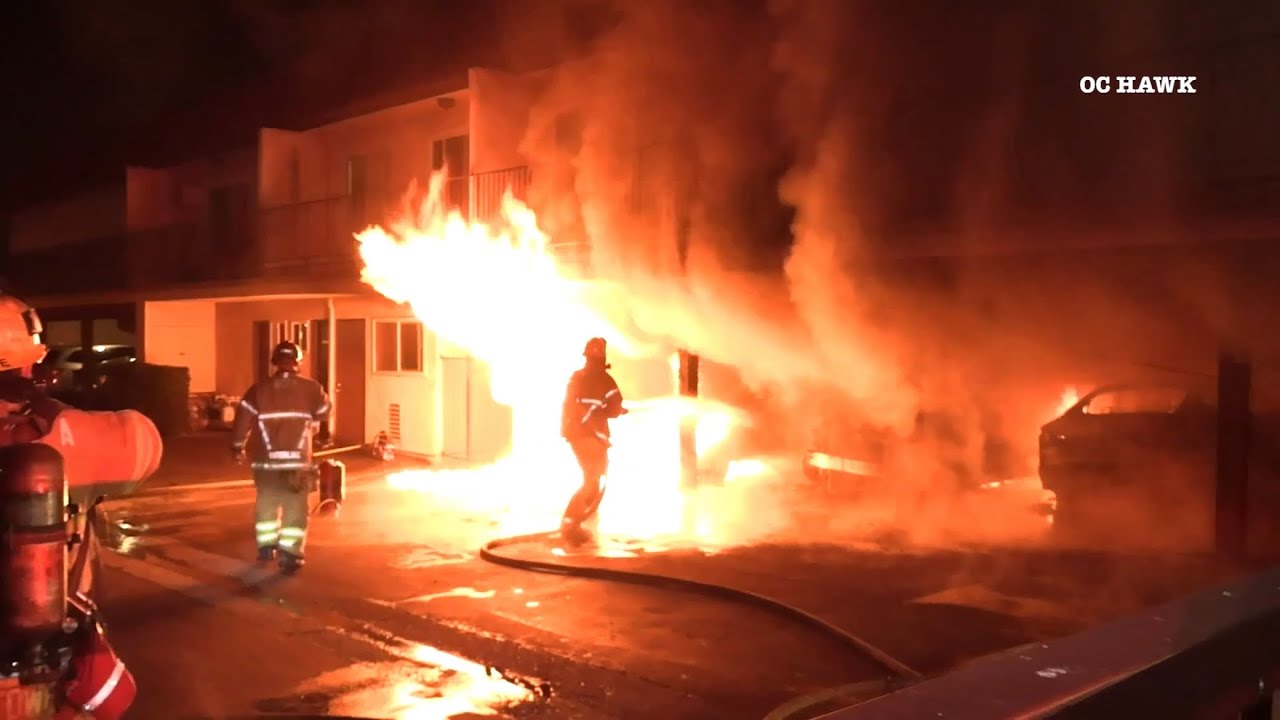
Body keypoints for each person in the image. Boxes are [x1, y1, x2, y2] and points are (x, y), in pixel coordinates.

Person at [230, 340, 331, 573]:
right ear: (297, 362)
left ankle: (266, 547)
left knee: (267, 503)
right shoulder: (312, 388)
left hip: (266, 463)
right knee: (295, 508)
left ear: (274, 362)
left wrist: (237, 447)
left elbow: (241, 421)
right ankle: (291, 555)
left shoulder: (258, 390)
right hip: (298, 463)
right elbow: (325, 413)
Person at [559, 337, 628, 545]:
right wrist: (616, 411)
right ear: (603, 358)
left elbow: (571, 404)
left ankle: (583, 523)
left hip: (575, 435)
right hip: (592, 437)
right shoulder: (606, 381)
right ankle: (570, 525)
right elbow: (615, 409)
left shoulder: (576, 378)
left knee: (595, 480)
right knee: (592, 480)